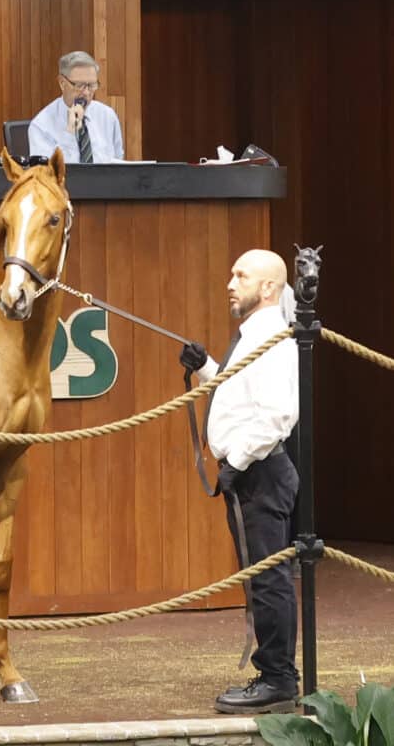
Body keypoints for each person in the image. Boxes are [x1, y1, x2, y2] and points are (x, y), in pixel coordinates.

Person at [179, 250, 299, 714]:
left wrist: (240, 460)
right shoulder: (255, 334)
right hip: (254, 474)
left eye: (241, 275)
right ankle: (275, 675)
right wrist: (206, 364)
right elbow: (241, 391)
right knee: (263, 578)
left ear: (268, 288)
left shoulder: (273, 337)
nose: (230, 282)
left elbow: (277, 416)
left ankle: (277, 681)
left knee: (268, 580)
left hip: (260, 473)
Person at [27, 50, 123, 163]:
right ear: (62, 83)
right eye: (80, 86)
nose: (86, 93)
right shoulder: (41, 126)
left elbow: (118, 164)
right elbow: (47, 175)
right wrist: (70, 134)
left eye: (91, 85)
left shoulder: (107, 116)